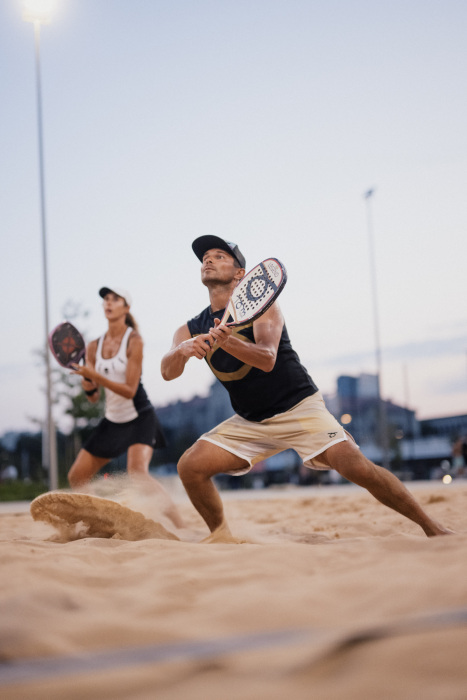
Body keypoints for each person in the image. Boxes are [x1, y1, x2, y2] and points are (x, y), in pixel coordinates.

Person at [161, 235, 452, 539]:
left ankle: (433, 528)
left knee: (357, 467)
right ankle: (221, 536)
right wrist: (181, 351)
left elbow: (267, 359)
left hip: (299, 407)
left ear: (240, 275)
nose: (208, 260)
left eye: (219, 256)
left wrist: (226, 341)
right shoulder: (189, 328)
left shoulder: (265, 308)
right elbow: (167, 372)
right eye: (205, 257)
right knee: (190, 467)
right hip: (250, 421)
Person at [69, 286, 183, 528]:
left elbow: (130, 390)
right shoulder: (92, 346)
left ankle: (181, 525)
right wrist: (87, 382)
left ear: (126, 307)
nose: (108, 303)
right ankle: (99, 521)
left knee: (138, 474)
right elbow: (92, 397)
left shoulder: (135, 340)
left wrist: (95, 376)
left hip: (139, 415)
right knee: (76, 476)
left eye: (115, 299)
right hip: (113, 419)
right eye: (105, 299)